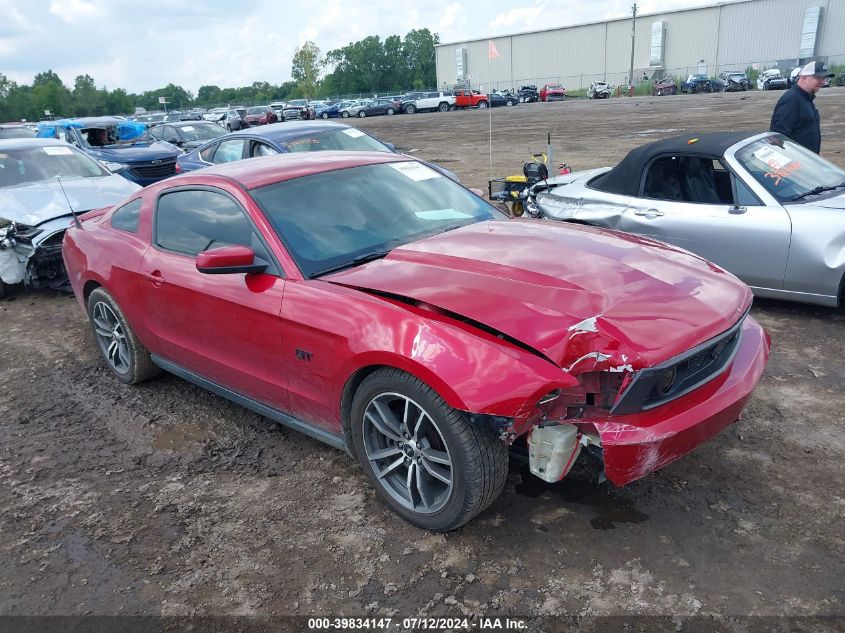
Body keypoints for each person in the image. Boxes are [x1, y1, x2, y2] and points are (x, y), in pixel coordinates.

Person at [770, 60, 834, 154]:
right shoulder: (792, 100)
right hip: (796, 164)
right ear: (804, 77)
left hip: (807, 162)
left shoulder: (806, 99)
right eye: (818, 77)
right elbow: (777, 137)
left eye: (824, 78)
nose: (822, 81)